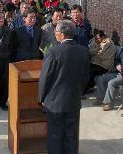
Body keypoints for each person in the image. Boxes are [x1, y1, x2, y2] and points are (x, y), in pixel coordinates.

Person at [38, 20, 90, 154]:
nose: (55, 34)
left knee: (55, 136)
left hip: (54, 103)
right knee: (71, 136)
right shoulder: (83, 51)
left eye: (56, 31)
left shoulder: (53, 52)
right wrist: (78, 92)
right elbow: (86, 77)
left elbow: (45, 78)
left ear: (62, 34)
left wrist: (42, 98)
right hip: (73, 100)